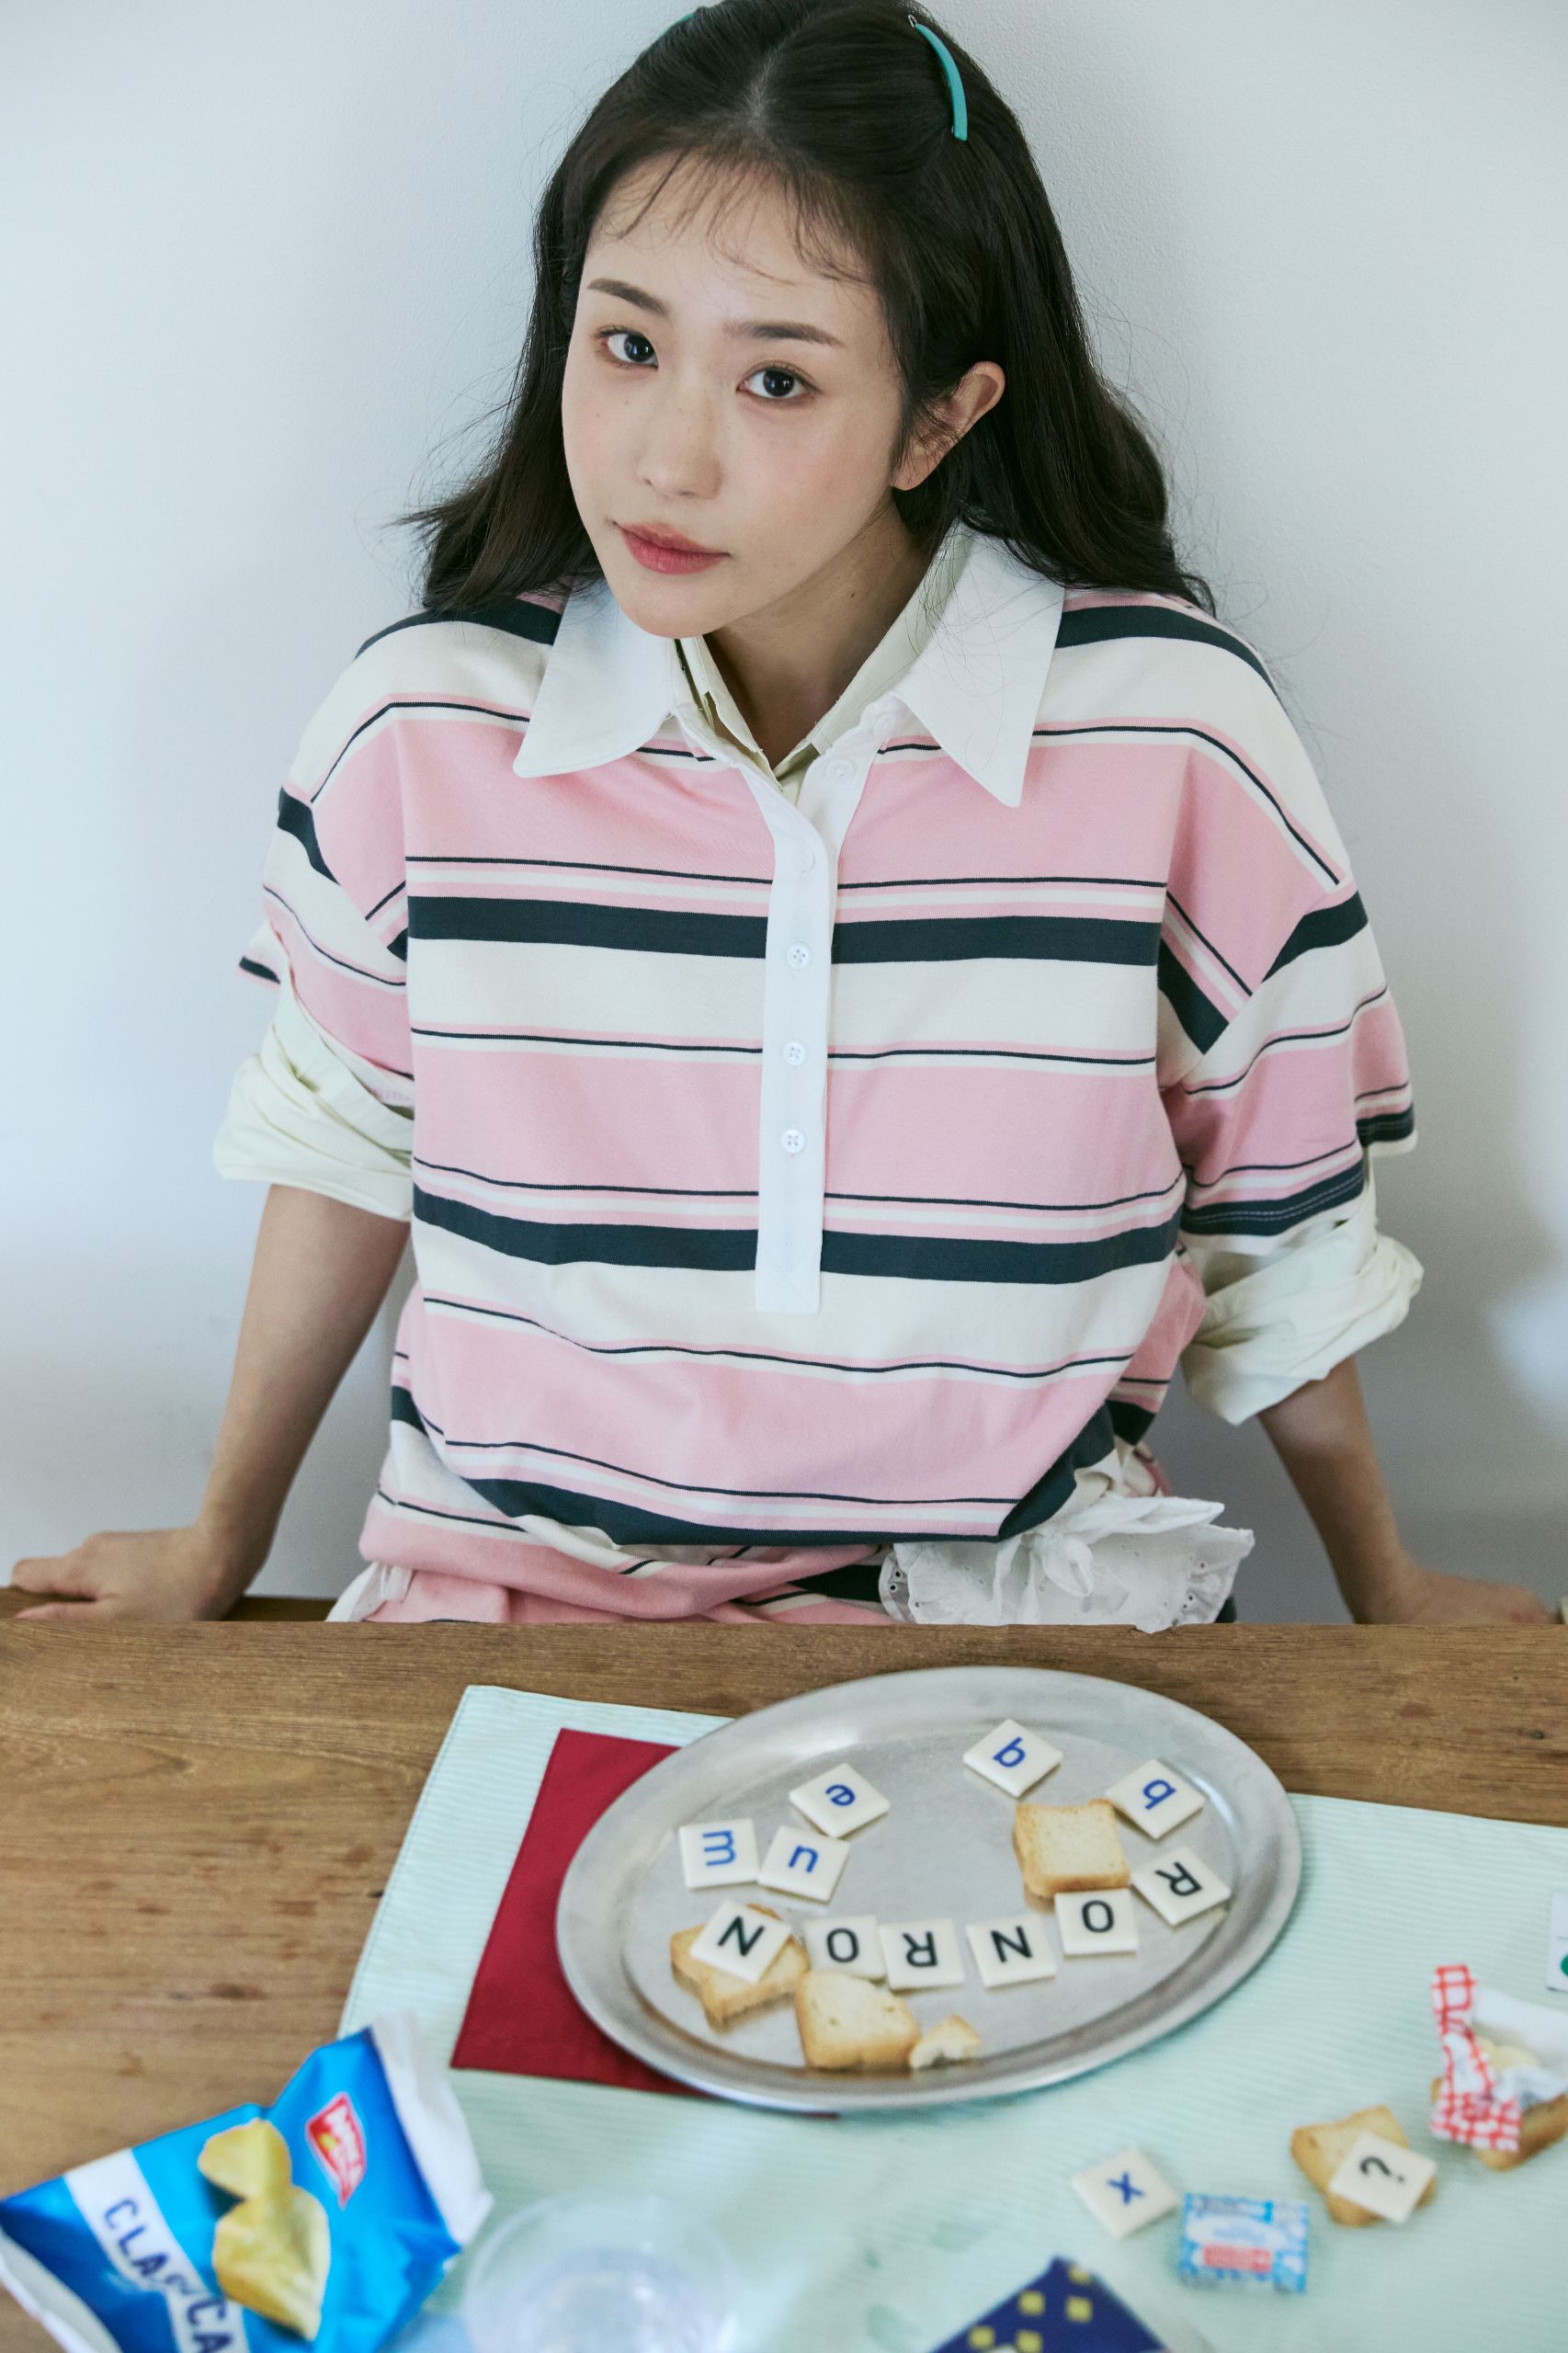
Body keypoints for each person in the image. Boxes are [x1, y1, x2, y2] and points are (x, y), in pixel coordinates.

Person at [11, 0, 1548, 1628]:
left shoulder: (1169, 734)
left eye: (776, 379)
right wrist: (219, 1541)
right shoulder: (422, 729)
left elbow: (1280, 1213)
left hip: (1023, 1618)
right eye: (626, 346)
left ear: (941, 417)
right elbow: (343, 1147)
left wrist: (1388, 1593)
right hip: (509, 1607)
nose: (665, 460)